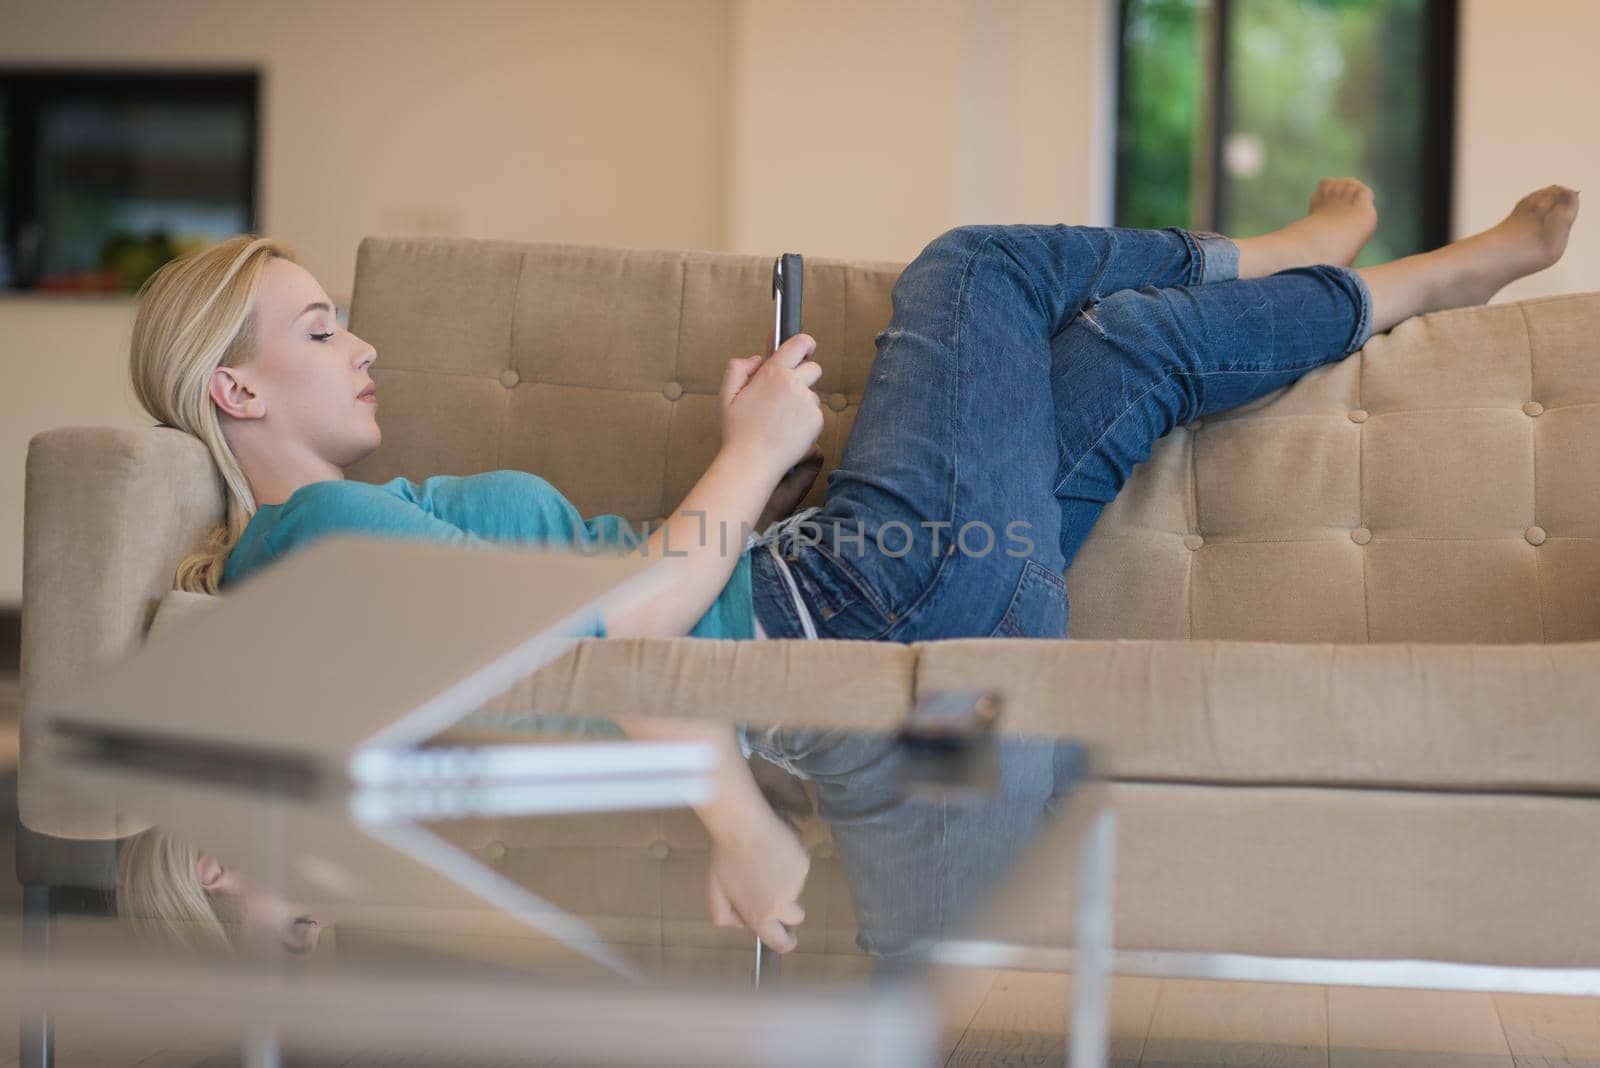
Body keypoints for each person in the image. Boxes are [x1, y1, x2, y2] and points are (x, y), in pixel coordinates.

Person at [128, 179, 1580, 955]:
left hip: (898, 605)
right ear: (236, 395)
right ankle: (1282, 250)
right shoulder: (309, 541)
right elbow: (599, 637)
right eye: (320, 331)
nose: (364, 341)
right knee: (975, 270)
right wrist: (754, 449)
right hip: (861, 604)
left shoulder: (346, 552)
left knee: (1123, 353)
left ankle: (1403, 283)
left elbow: (569, 651)